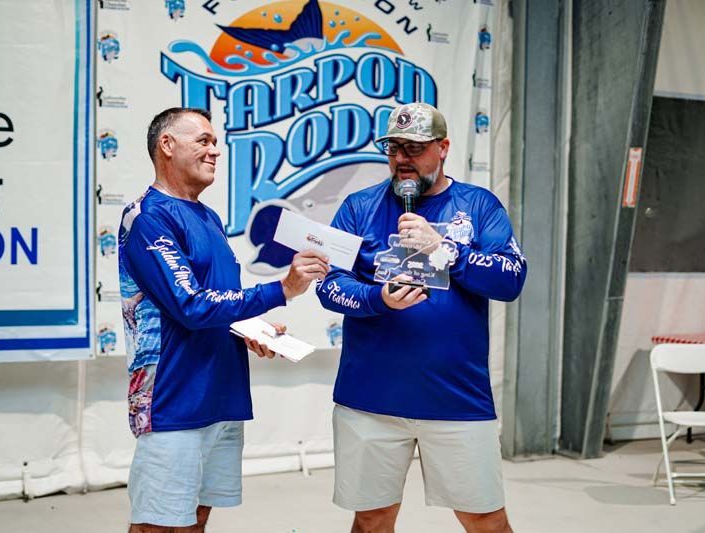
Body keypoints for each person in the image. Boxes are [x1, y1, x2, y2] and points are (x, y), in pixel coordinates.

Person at [316, 102, 526, 533]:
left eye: (414, 148)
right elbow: (329, 286)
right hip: (370, 400)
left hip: (457, 399)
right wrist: (379, 299)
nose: (401, 159)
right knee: (371, 520)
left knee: (485, 520)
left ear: (443, 148)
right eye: (394, 148)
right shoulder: (359, 208)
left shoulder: (479, 206)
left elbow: (511, 280)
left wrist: (444, 250)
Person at [118, 107, 329, 532]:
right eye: (203, 140)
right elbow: (191, 305)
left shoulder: (209, 218)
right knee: (156, 525)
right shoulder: (147, 217)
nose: (215, 150)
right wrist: (281, 290)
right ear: (167, 145)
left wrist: (252, 328)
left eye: (215, 142)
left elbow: (218, 300)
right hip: (173, 399)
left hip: (222, 396)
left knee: (197, 518)